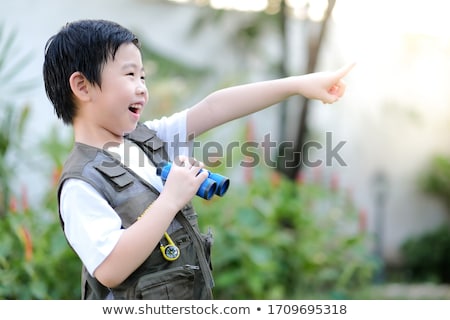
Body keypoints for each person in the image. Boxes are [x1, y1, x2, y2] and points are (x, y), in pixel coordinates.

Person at [43, 19, 354, 300]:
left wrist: (298, 85)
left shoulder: (146, 138)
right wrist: (170, 200)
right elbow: (110, 267)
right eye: (129, 75)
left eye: (143, 76)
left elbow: (214, 107)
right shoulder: (80, 183)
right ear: (82, 86)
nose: (142, 88)